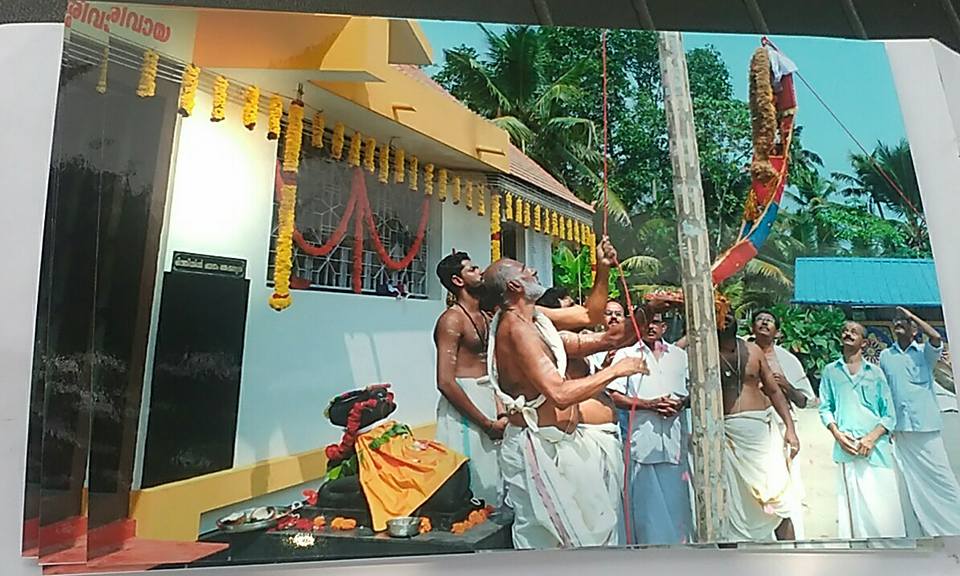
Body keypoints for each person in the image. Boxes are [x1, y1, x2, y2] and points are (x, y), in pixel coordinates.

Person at [483, 257, 648, 549]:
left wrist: (604, 267)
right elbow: (558, 393)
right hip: (535, 446)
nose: (533, 270)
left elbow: (588, 315)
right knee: (553, 544)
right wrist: (615, 371)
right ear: (514, 286)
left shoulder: (533, 317)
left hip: (565, 445)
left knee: (585, 539)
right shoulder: (517, 329)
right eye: (524, 270)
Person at [606, 306, 693, 546]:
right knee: (646, 511)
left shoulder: (679, 355)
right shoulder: (626, 355)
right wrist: (649, 405)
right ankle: (648, 559)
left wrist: (679, 404)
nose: (652, 327)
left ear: (664, 327)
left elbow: (692, 392)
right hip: (643, 442)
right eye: (647, 323)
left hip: (675, 443)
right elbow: (614, 396)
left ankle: (680, 557)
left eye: (657, 323)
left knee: (678, 507)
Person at [716, 311, 800, 542]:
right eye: (721, 315)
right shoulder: (705, 352)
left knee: (778, 501)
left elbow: (774, 391)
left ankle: (792, 560)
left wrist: (790, 430)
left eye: (730, 314)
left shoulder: (754, 352)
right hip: (727, 436)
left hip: (760, 434)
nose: (727, 318)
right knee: (731, 506)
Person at [818, 321, 904, 538]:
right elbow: (825, 408)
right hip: (846, 449)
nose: (848, 334)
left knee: (882, 511)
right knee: (853, 515)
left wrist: (870, 439)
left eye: (854, 332)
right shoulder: (830, 372)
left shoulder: (875, 373)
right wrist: (837, 434)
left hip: (875, 451)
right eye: (845, 331)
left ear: (864, 343)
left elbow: (890, 415)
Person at [433, 251, 505, 506]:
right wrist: (486, 424)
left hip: (490, 400)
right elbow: (445, 382)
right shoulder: (452, 320)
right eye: (472, 269)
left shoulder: (486, 317)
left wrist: (500, 412)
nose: (480, 272)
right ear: (458, 280)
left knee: (496, 480)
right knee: (473, 484)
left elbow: (492, 369)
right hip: (465, 407)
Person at [880, 307, 960, 536]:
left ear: (914, 330)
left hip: (927, 427)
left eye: (904, 322)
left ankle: (955, 526)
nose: (899, 324)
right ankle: (924, 529)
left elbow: (936, 337)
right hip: (901, 429)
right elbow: (885, 391)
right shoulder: (886, 356)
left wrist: (912, 316)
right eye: (896, 321)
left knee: (942, 478)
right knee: (910, 483)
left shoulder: (925, 352)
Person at [749, 309, 816, 540]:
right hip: (752, 432)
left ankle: (790, 543)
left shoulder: (787, 360)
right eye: (759, 319)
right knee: (754, 489)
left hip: (782, 429)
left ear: (777, 331)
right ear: (751, 328)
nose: (764, 323)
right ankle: (759, 540)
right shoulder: (741, 354)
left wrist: (785, 386)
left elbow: (805, 400)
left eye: (769, 321)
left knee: (786, 489)